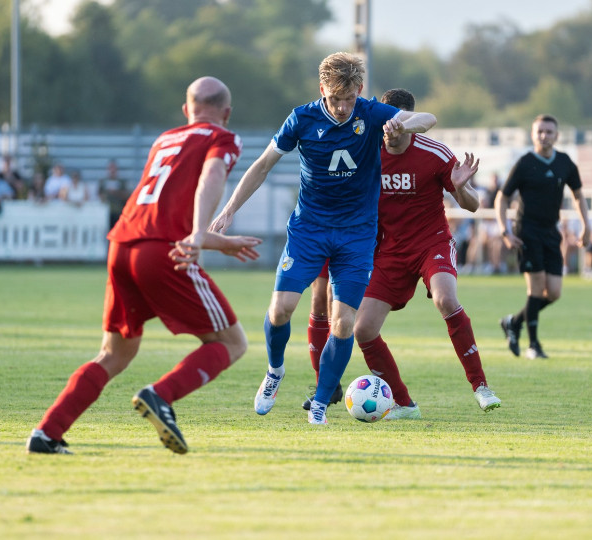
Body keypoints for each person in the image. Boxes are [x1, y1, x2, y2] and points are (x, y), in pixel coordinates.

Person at [27, 76, 262, 455]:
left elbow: (161, 208)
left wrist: (216, 242)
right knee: (231, 343)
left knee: (115, 353)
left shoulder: (164, 139)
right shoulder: (222, 137)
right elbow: (211, 177)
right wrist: (203, 232)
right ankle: (160, 396)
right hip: (162, 252)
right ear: (227, 113)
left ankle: (46, 433)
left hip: (122, 246)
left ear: (186, 111)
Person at [209, 52, 437, 425]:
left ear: (360, 91)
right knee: (281, 309)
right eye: (335, 100)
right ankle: (274, 371)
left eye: (350, 99)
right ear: (322, 91)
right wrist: (230, 208)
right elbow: (263, 164)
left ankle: (320, 401)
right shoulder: (302, 118)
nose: (344, 108)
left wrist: (404, 126)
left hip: (356, 236)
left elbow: (428, 119)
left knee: (343, 323)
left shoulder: (371, 113)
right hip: (309, 230)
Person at [302, 88, 500, 416]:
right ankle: (404, 404)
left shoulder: (434, 154)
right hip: (389, 253)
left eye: (397, 125)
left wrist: (462, 186)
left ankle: (480, 385)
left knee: (445, 299)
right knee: (363, 328)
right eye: (384, 125)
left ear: (409, 123)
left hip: (430, 243)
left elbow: (474, 205)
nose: (389, 133)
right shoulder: (366, 154)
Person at [495, 114, 589, 360]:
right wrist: (505, 230)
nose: (544, 136)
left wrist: (586, 226)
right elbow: (502, 198)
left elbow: (579, 196)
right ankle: (533, 346)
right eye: (540, 132)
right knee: (536, 289)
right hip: (527, 231)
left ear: (557, 135)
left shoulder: (565, 162)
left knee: (554, 292)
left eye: (549, 132)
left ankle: (513, 322)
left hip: (551, 232)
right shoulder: (525, 163)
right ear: (533, 135)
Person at [98, 159, 132, 227]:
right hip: (106, 212)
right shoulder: (103, 182)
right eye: (110, 168)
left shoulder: (122, 182)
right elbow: (99, 195)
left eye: (114, 168)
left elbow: (127, 195)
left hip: (118, 211)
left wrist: (116, 192)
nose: (112, 171)